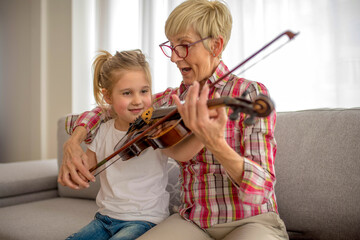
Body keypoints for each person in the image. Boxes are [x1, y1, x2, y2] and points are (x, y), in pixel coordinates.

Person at [58, 0, 289, 239]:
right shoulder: (172, 100)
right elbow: (109, 110)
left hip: (251, 221)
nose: (174, 58)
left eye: (184, 46)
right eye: (172, 46)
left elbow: (262, 189)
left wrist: (216, 144)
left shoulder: (249, 93)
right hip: (193, 221)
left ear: (216, 45)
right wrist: (74, 140)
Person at [63, 49, 202, 240]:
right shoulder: (102, 130)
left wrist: (203, 133)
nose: (138, 100)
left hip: (145, 219)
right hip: (105, 218)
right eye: (127, 93)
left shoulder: (156, 130)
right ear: (108, 97)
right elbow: (87, 165)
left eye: (144, 91)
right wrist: (76, 172)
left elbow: (182, 154)